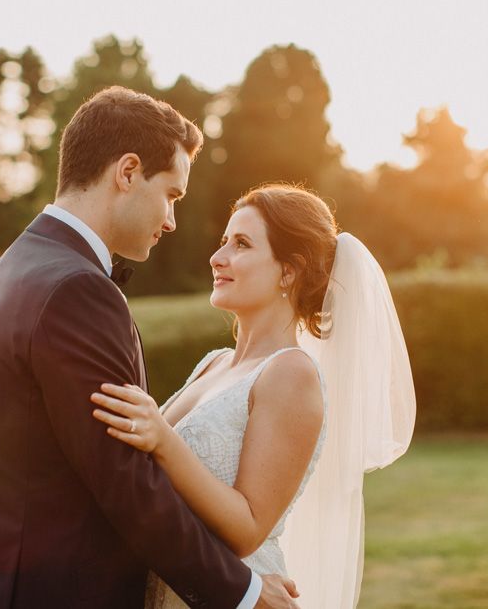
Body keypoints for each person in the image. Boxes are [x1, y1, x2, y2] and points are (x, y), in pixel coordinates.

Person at [0, 87, 299, 608]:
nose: (172, 221)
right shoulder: (77, 290)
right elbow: (125, 482)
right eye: (171, 194)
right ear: (127, 172)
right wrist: (243, 592)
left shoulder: (6, 272)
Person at [91, 183, 416, 608]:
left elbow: (247, 527)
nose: (217, 257)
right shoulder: (214, 363)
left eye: (241, 244)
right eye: (223, 241)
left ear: (289, 271)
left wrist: (161, 437)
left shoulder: (291, 374)